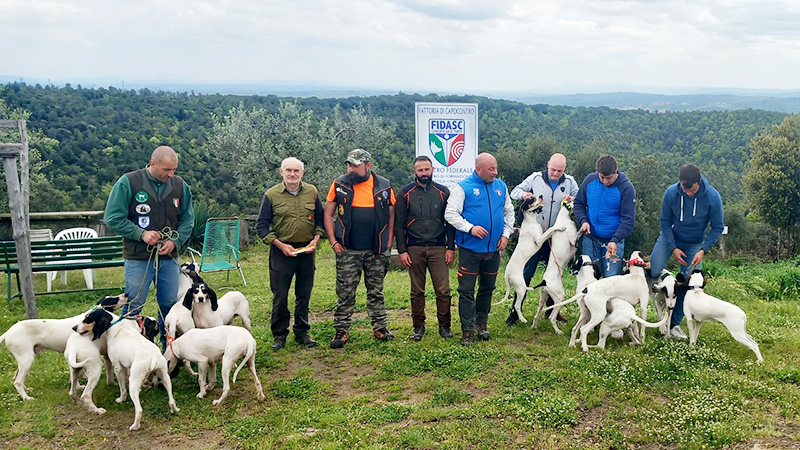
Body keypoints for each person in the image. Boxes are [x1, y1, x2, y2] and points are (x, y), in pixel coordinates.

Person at [104, 145, 194, 348]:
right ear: (153, 164)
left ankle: (169, 349)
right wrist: (140, 233)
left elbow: (188, 220)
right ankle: (129, 349)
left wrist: (175, 241)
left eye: (174, 170)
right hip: (137, 257)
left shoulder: (180, 186)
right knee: (134, 304)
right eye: (166, 170)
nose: (171, 175)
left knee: (169, 305)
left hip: (168, 258)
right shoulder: (128, 182)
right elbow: (113, 217)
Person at [324, 149, 396, 349]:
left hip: (376, 249)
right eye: (349, 165)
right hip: (348, 250)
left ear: (368, 165)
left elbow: (392, 217)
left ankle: (380, 327)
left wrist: (388, 245)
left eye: (356, 165)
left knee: (376, 291)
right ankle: (341, 330)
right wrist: (333, 241)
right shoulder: (339, 184)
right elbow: (328, 214)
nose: (351, 169)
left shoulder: (384, 185)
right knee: (345, 292)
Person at [444, 153, 514, 346]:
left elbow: (509, 211)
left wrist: (506, 234)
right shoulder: (463, 188)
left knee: (487, 288)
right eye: (491, 169)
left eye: (496, 168)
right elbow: (450, 213)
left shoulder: (501, 186)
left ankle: (481, 324)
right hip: (470, 250)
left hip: (493, 250)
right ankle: (467, 329)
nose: (495, 172)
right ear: (479, 170)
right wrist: (470, 228)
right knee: (466, 290)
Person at [256, 157, 324, 350]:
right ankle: (279, 335)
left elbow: (320, 220)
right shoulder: (271, 195)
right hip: (281, 251)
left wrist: (316, 240)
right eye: (289, 171)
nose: (292, 174)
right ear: (281, 172)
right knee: (280, 295)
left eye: (296, 171)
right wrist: (279, 244)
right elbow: (261, 226)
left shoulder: (312, 192)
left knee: (304, 293)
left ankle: (302, 332)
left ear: (302, 173)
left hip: (306, 251)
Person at [650, 163, 724, 339]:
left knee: (689, 285)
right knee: (653, 269)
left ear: (699, 182)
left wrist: (703, 250)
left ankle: (674, 324)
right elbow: (665, 221)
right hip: (671, 238)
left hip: (694, 245)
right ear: (680, 182)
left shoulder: (712, 197)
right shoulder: (671, 193)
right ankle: (668, 284)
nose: (688, 193)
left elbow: (718, 226)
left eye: (692, 190)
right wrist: (673, 247)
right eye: (685, 189)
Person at [506, 152, 579, 325]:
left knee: (555, 273)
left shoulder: (570, 182)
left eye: (559, 171)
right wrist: (524, 195)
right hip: (535, 235)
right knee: (527, 272)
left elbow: (580, 199)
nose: (555, 173)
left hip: (556, 237)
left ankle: (551, 311)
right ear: (548, 165)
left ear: (565, 169)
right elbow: (515, 191)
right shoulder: (535, 178)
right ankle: (515, 312)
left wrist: (572, 199)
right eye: (553, 169)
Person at [395, 156, 456, 341]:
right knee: (417, 291)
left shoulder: (443, 192)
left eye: (427, 170)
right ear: (414, 171)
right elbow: (399, 224)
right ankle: (418, 326)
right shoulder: (404, 193)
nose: (424, 173)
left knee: (443, 290)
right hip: (414, 248)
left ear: (432, 170)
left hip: (438, 247)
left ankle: (445, 326)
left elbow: (450, 222)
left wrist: (450, 247)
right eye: (420, 170)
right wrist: (402, 250)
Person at [574, 154, 636, 277]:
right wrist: (583, 221)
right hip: (590, 239)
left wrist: (615, 240)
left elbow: (628, 220)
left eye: (609, 178)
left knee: (610, 281)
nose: (605, 182)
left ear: (616, 172)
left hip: (613, 242)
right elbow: (578, 204)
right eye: (602, 177)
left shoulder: (626, 188)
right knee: (588, 279)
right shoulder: (589, 181)